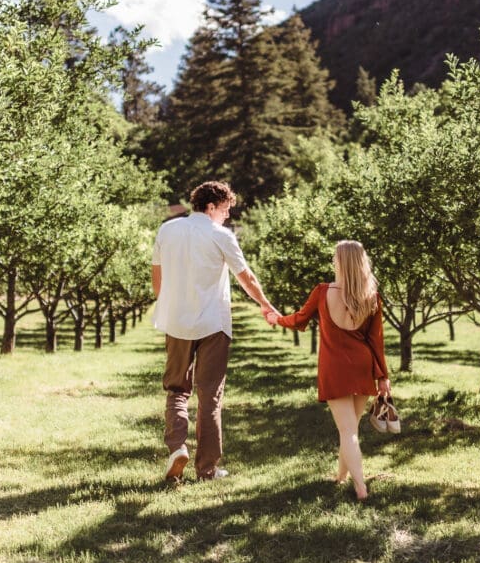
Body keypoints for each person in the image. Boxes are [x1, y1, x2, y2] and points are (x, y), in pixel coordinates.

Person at [152, 181, 277, 481]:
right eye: (225, 210)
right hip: (213, 325)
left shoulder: (167, 231)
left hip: (177, 324)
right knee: (210, 396)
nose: (226, 217)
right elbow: (246, 277)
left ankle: (176, 449)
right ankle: (206, 469)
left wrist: (170, 308)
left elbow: (158, 279)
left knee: (177, 390)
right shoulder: (221, 236)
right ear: (210, 207)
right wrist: (265, 304)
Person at [266, 240, 390, 500]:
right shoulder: (371, 296)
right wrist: (383, 378)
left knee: (347, 430)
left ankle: (360, 486)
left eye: (335, 258)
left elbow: (299, 319)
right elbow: (376, 341)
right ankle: (341, 476)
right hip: (362, 365)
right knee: (350, 428)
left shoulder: (323, 292)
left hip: (335, 368)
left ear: (340, 262)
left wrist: (276, 319)